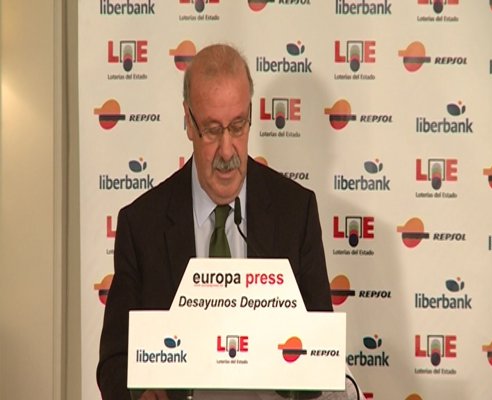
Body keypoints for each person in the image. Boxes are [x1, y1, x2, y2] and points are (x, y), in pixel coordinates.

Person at [97, 43, 333, 400]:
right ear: (188, 121)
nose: (226, 150)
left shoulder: (295, 212)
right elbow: (114, 363)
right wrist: (141, 391)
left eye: (237, 127)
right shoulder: (141, 225)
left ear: (250, 115)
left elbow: (321, 355)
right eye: (211, 130)